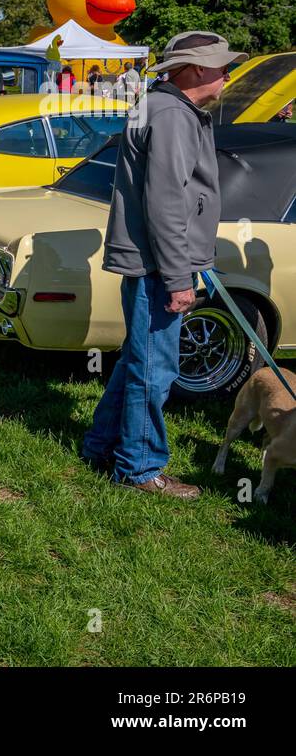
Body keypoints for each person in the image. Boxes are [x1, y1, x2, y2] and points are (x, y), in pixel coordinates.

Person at [81, 31, 247, 499]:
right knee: (155, 370)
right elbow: (166, 203)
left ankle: (102, 446)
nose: (227, 73)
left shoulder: (164, 107)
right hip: (158, 266)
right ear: (195, 70)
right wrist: (179, 277)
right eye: (220, 65)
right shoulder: (172, 114)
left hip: (154, 261)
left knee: (140, 361)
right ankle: (140, 469)